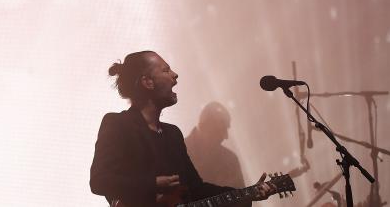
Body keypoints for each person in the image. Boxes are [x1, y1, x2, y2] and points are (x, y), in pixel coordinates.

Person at [90, 50, 274, 207]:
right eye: (166, 70)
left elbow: (195, 188)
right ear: (147, 82)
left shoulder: (172, 134)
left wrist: (247, 194)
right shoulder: (118, 124)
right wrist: (152, 184)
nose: (175, 75)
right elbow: (99, 180)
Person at [185, 102, 245, 189]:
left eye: (226, 129)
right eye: (220, 130)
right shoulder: (174, 151)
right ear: (204, 126)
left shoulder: (230, 160)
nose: (226, 136)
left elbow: (243, 200)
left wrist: (252, 194)